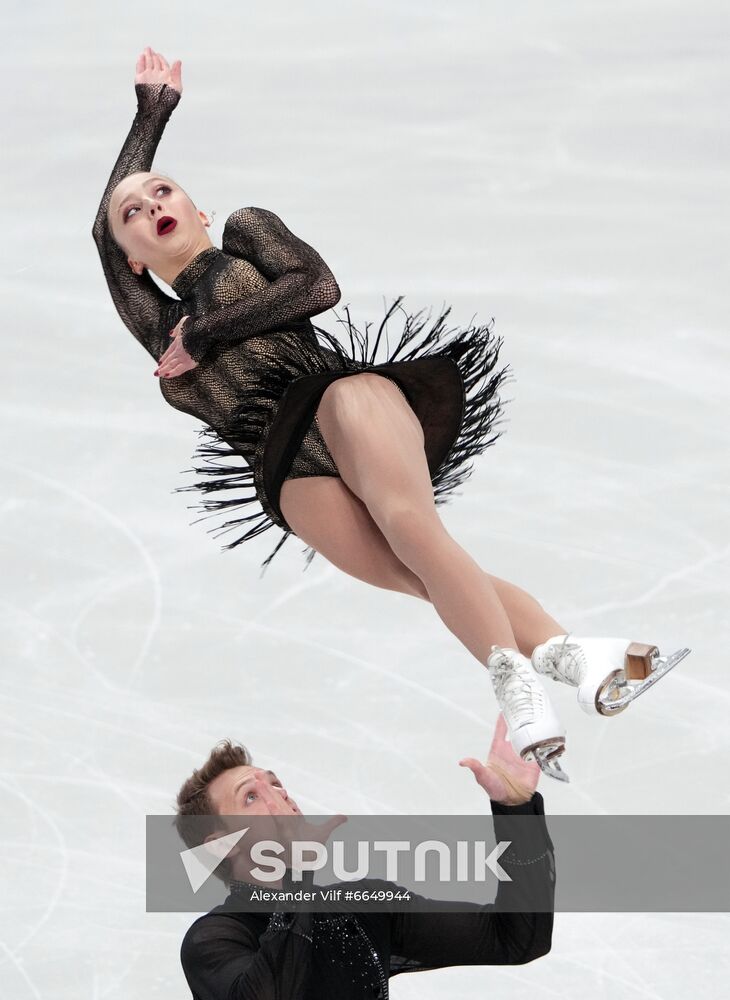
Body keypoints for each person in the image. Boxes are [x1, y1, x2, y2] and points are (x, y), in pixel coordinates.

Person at [91, 48, 689, 778]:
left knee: (416, 531)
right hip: (282, 472)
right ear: (129, 262)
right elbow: (96, 229)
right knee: (419, 574)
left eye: (163, 193)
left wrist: (208, 327)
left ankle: (521, 692)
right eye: (134, 211)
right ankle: (590, 663)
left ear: (198, 210)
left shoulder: (244, 233)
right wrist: (149, 118)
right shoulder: (158, 325)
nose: (153, 206)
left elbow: (317, 287)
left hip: (340, 401)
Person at [175, 714, 555, 999]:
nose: (279, 795)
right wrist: (297, 869)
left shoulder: (360, 908)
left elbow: (517, 939)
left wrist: (516, 810)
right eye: (252, 796)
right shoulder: (213, 940)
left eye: (275, 783)